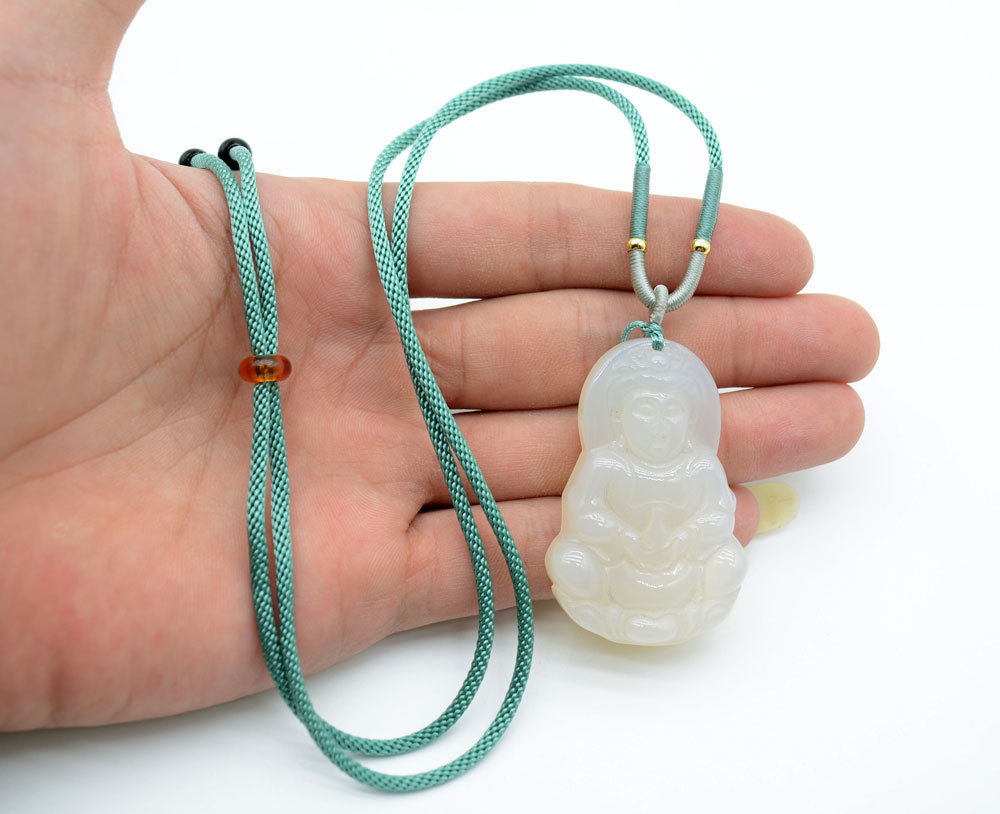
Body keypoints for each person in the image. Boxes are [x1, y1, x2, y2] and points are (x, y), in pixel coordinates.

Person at [0, 0, 879, 731]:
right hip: (616, 571)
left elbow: (704, 519)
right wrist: (617, 537)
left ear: (689, 416)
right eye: (640, 412)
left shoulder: (691, 469)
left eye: (666, 414)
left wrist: (678, 539)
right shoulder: (607, 467)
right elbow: (590, 521)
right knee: (574, 564)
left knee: (713, 559)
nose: (652, 424)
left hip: (670, 574)